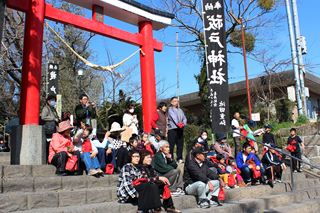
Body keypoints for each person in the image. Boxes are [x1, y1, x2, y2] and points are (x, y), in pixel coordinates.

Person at [167, 97, 187, 163]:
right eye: (175, 101)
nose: (176, 102)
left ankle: (179, 158)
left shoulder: (180, 110)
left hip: (180, 129)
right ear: (171, 102)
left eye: (177, 101)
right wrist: (179, 124)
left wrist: (183, 124)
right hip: (172, 129)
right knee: (171, 145)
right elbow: (174, 118)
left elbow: (184, 118)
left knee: (180, 144)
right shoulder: (170, 110)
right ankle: (171, 159)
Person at [41, 95, 60, 161]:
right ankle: (47, 159)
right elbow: (43, 117)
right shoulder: (46, 108)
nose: (53, 102)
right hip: (48, 129)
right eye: (52, 100)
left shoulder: (53, 109)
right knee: (48, 144)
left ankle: (51, 158)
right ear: (48, 101)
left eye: (54, 100)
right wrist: (53, 118)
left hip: (54, 129)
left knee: (53, 144)